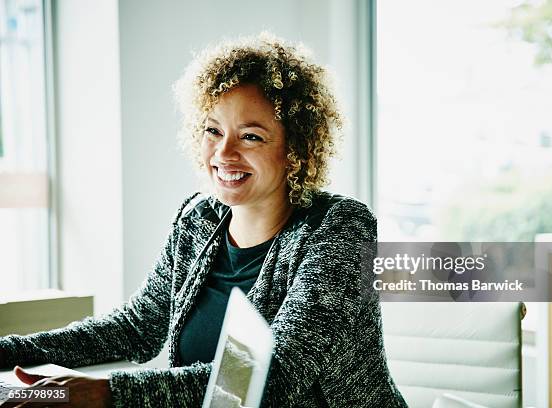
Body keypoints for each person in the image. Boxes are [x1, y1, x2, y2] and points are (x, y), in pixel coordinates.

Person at [0, 33, 408, 408]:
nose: (224, 153)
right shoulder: (198, 219)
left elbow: (275, 375)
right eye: (213, 130)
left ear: (296, 149)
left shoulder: (340, 228)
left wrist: (107, 393)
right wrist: (10, 350)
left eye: (250, 136)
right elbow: (135, 328)